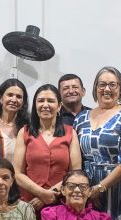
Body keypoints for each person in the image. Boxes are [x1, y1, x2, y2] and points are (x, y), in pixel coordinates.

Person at [74, 66, 121, 219]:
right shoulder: (81, 118)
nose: (106, 89)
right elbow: (75, 158)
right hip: (85, 191)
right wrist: (87, 188)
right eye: (102, 84)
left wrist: (99, 188)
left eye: (112, 84)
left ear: (120, 89)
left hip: (117, 190)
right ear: (95, 88)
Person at [13, 83, 81, 211]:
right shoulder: (25, 132)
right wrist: (41, 193)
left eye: (50, 101)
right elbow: (17, 173)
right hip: (28, 204)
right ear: (35, 105)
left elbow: (75, 174)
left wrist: (50, 193)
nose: (45, 105)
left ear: (59, 106)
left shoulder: (70, 133)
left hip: (61, 204)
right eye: (40, 101)